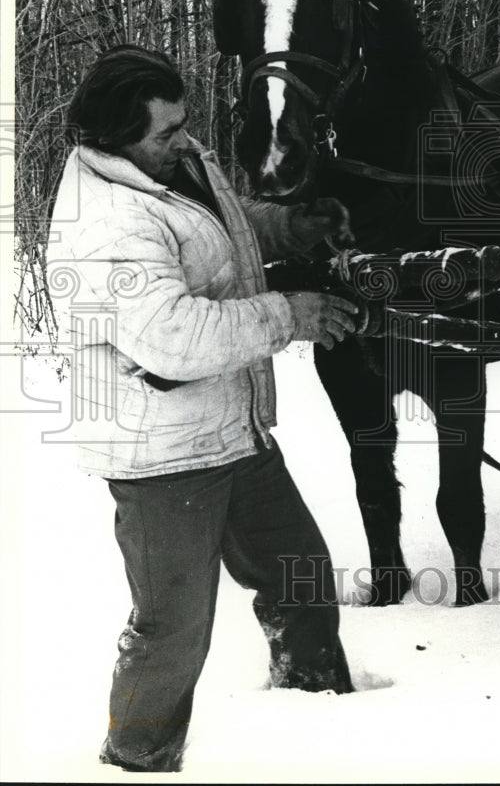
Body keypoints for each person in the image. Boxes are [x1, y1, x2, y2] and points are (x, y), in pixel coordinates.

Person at [46, 45, 359, 773]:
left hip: (232, 433)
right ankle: (138, 756)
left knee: (301, 575)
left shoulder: (165, 163)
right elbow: (177, 338)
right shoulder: (107, 223)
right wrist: (291, 313)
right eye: (166, 133)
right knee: (173, 627)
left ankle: (321, 722)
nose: (186, 140)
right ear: (110, 139)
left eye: (184, 124)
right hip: (159, 455)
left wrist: (285, 228)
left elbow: (217, 225)